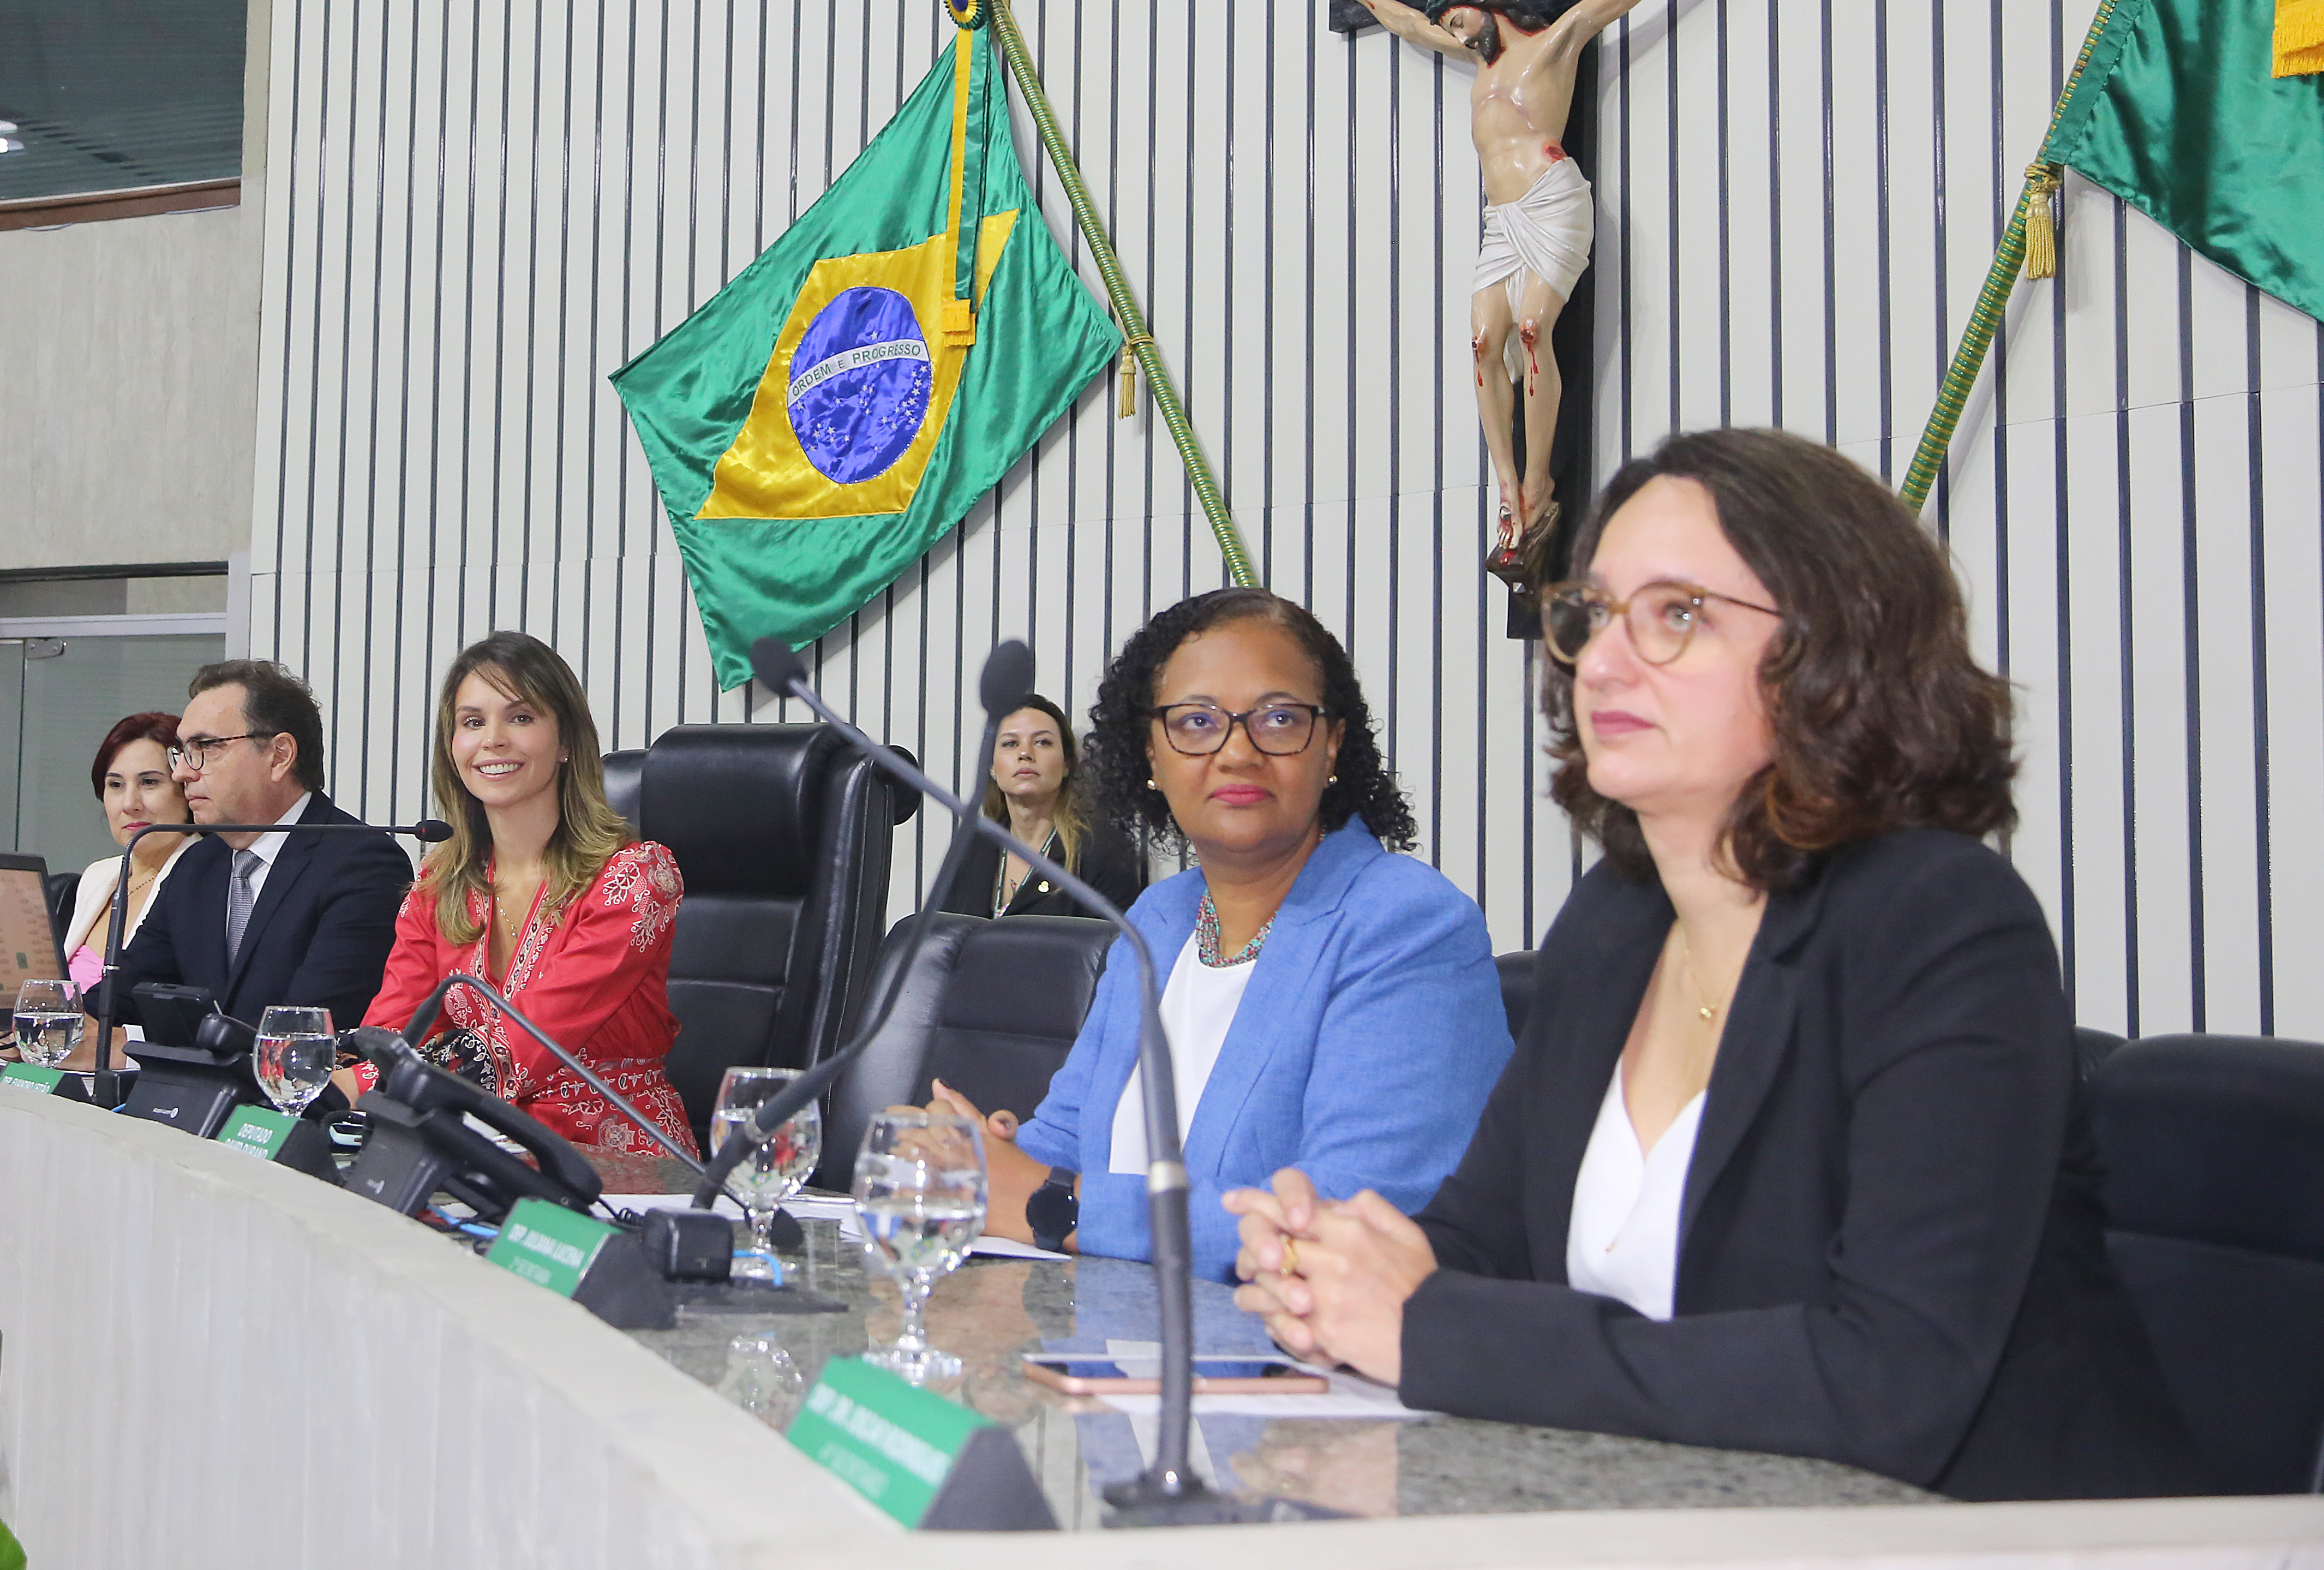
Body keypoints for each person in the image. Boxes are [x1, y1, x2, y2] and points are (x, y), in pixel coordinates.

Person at [1225, 429, 2206, 1501]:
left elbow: (1890, 1382)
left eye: (1678, 616)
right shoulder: (1616, 922)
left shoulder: (1942, 924)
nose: (1599, 659)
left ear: (1835, 653)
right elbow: (1482, 1240)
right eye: (1594, 615)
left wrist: (1431, 1327)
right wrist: (1335, 1267)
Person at [930, 590, 1511, 1270]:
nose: (1238, 752)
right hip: (1099, 1344)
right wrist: (972, 1159)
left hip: (1290, 1364)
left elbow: (1352, 1222)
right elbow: (1066, 1141)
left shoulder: (1407, 925)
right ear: (1151, 754)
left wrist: (1055, 1207)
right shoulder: (1156, 920)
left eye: (1280, 718)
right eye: (1198, 722)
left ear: (1332, 746)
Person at [1329, 0, 1783, 583]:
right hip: (1500, 222)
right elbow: (1408, 23)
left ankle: (1539, 485)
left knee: (1534, 329)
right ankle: (1506, 488)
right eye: (1445, 25)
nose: (1447, 30)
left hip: (1551, 199)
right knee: (1482, 345)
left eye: (1456, 18)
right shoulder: (1469, 66)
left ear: (1485, 4)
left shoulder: (1559, 42)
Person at [343, 634, 694, 1160]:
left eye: (521, 718)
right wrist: (318, 1081)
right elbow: (395, 1029)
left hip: (614, 1160)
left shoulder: (636, 877)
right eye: (473, 722)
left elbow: (528, 1039)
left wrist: (346, 1088)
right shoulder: (439, 884)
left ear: (567, 742)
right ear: (452, 747)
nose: (494, 741)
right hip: (473, 1146)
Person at [88, 659, 414, 1031]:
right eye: (181, 752)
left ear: (279, 756)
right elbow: (117, 1001)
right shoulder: (197, 865)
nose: (181, 773)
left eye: (205, 747)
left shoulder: (363, 865)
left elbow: (305, 1033)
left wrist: (131, 1051)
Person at [948, 693, 1146, 919]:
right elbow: (940, 941)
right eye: (1010, 743)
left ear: (1067, 765)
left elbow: (1112, 950)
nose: (1025, 754)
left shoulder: (1102, 851)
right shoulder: (972, 847)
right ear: (992, 767)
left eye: (1042, 742)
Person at [64, 712, 199, 993]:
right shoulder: (98, 876)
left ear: (186, 789)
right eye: (116, 785)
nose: (129, 804)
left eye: (149, 783)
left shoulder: (206, 877)